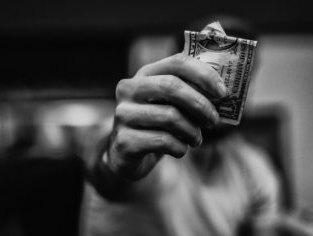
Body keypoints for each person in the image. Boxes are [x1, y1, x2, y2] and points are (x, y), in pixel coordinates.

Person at [80, 50, 281, 236]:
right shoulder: (138, 131)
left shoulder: (255, 166)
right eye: (212, 69)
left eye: (239, 76)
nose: (223, 87)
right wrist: (116, 161)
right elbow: (102, 170)